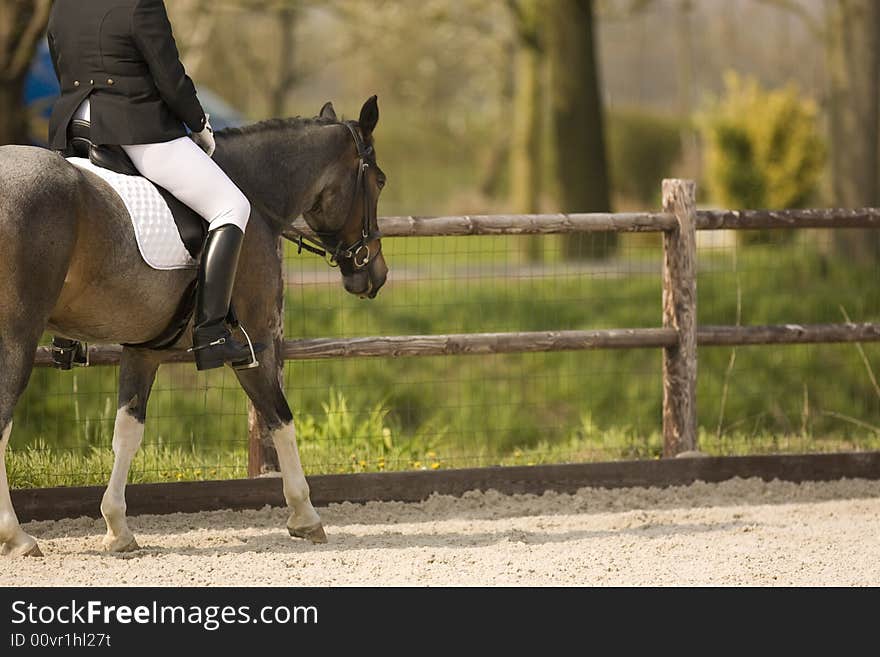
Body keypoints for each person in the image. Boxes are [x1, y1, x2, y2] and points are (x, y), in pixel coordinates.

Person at [47, 0, 262, 371]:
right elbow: (169, 77)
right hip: (133, 129)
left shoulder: (62, 5)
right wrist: (198, 123)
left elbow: (61, 65)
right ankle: (211, 334)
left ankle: (65, 337)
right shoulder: (141, 3)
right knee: (232, 206)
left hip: (74, 128)